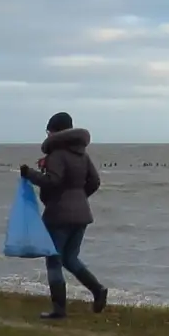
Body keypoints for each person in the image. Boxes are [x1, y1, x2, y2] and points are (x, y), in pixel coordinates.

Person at [19, 112, 108, 319]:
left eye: (49, 130)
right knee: (70, 258)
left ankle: (59, 309)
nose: (48, 134)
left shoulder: (57, 154)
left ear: (55, 131)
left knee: (54, 260)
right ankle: (98, 289)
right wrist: (78, 197)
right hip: (82, 215)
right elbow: (94, 182)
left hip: (58, 215)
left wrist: (30, 174)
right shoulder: (82, 155)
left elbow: (53, 181)